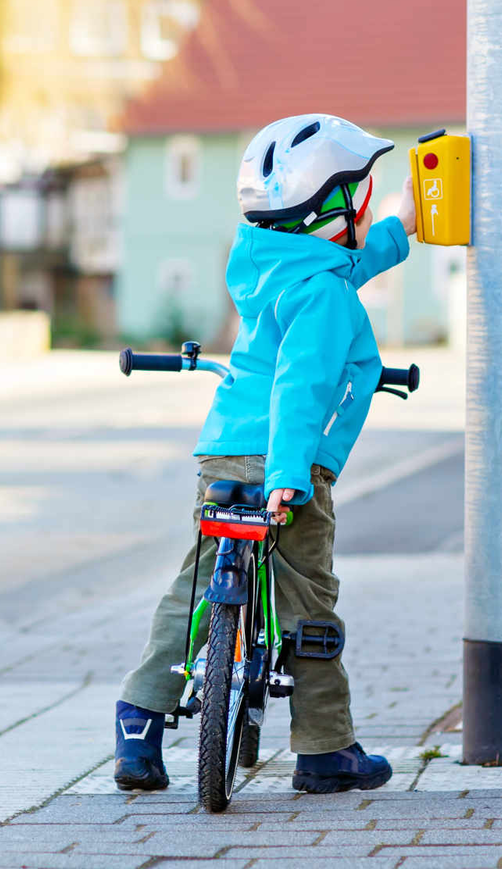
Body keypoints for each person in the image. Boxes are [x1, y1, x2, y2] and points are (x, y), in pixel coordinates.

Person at [114, 113, 418, 795]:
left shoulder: (273, 267)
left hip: (224, 454)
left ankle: (138, 720)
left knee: (194, 587)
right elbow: (301, 387)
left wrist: (402, 228)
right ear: (334, 208)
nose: (371, 203)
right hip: (289, 463)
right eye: (366, 194)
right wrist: (287, 476)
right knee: (308, 596)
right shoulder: (325, 299)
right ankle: (324, 749)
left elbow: (345, 261)